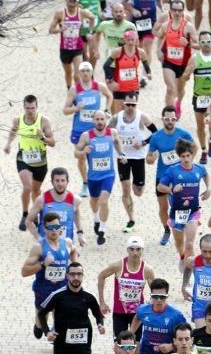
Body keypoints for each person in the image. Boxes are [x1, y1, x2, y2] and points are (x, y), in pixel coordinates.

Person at [21, 210, 76, 354]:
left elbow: (74, 252)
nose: (54, 230)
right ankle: (38, 324)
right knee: (41, 317)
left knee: (58, 332)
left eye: (57, 227)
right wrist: (42, 264)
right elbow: (24, 271)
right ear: (44, 228)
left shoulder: (66, 243)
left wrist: (73, 267)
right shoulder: (39, 247)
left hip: (61, 292)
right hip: (43, 291)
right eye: (51, 227)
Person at [157, 138, 211, 275]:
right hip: (177, 212)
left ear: (192, 155)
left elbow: (206, 175)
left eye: (188, 155)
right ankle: (182, 257)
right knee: (180, 243)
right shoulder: (172, 171)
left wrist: (209, 188)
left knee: (190, 244)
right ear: (179, 156)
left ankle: (192, 274)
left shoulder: (199, 168)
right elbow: (160, 186)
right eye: (183, 156)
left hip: (193, 211)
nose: (186, 159)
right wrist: (171, 189)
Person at [4, 97, 57, 232]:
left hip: (40, 161)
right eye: (27, 108)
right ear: (24, 107)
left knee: (36, 190)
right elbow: (13, 131)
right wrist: (8, 144)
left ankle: (35, 214)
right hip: (24, 158)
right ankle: (25, 214)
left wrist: (42, 138)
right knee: (27, 187)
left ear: (36, 107)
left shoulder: (44, 121)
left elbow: (52, 143)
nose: (30, 111)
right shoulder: (18, 120)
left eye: (32, 108)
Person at [146, 106, 195, 247]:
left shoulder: (183, 134)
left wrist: (188, 162)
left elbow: (194, 147)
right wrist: (151, 158)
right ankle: (167, 229)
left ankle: (181, 230)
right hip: (162, 177)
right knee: (163, 207)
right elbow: (149, 158)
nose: (169, 121)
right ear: (162, 120)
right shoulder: (156, 137)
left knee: (180, 204)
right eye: (166, 119)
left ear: (176, 119)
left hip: (179, 176)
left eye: (172, 119)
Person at [64, 60, 112, 196]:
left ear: (91, 73)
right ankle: (85, 183)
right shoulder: (75, 89)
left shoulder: (99, 86)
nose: (85, 74)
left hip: (95, 129)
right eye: (83, 71)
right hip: (79, 129)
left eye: (88, 71)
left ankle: (97, 182)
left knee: (95, 157)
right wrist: (75, 108)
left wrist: (107, 109)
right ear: (79, 74)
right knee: (81, 157)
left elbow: (110, 95)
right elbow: (65, 110)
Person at [110, 92, 155, 232]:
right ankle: (131, 219)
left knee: (138, 191)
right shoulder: (116, 118)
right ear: (124, 103)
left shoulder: (142, 117)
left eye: (133, 105)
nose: (130, 107)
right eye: (128, 104)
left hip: (138, 157)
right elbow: (104, 132)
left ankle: (139, 187)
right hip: (122, 157)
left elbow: (156, 133)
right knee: (126, 189)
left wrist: (143, 142)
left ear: (137, 104)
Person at [74, 108, 118, 246]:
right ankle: (96, 219)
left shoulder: (113, 133)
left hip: (108, 174)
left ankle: (102, 231)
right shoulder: (87, 136)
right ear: (93, 120)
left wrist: (121, 154)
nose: (100, 122)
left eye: (102, 119)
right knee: (94, 201)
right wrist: (83, 152)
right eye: (97, 119)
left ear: (106, 120)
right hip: (93, 176)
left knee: (104, 200)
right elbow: (76, 152)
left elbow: (117, 143)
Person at [98, 237, 153, 338]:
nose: (135, 253)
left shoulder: (147, 269)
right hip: (119, 312)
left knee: (136, 346)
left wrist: (149, 306)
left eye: (138, 249)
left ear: (142, 250)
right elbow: (101, 276)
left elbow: (155, 291)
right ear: (127, 250)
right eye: (132, 249)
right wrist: (102, 302)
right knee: (119, 347)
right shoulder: (118, 265)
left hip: (137, 314)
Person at [153, 0, 198, 113]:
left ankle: (178, 102)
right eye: (174, 10)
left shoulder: (189, 26)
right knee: (170, 88)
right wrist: (159, 50)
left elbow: (199, 45)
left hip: (184, 62)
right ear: (171, 11)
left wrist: (188, 44)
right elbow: (157, 34)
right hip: (169, 61)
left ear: (183, 11)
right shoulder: (165, 24)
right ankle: (169, 113)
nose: (177, 13)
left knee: (180, 90)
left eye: (179, 10)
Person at [49, 0, 96, 89]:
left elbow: (92, 18)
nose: (72, 3)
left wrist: (90, 31)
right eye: (70, 0)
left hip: (77, 48)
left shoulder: (82, 13)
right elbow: (51, 30)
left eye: (74, 1)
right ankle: (69, 90)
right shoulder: (60, 13)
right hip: (64, 48)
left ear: (77, 1)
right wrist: (59, 30)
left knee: (77, 74)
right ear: (66, 0)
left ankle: (78, 94)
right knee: (68, 73)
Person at [190, 31, 211, 161]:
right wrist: (187, 73)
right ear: (199, 43)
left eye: (208, 41)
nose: (206, 44)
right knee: (200, 126)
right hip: (199, 97)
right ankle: (204, 149)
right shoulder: (194, 58)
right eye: (203, 42)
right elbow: (186, 75)